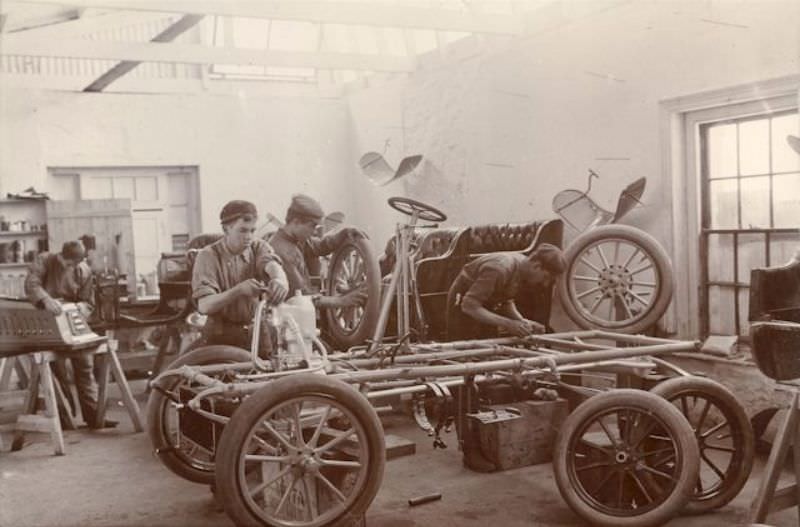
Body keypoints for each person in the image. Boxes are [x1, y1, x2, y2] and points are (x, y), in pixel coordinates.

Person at [24, 240, 115, 429]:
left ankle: (95, 417)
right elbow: (31, 284)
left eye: (75, 264)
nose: (72, 267)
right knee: (57, 371)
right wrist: (46, 299)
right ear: (60, 255)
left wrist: (83, 307)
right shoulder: (45, 260)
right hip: (47, 321)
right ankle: (64, 419)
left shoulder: (84, 270)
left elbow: (88, 301)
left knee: (85, 367)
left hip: (73, 321)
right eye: (68, 263)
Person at [191, 200, 289, 350]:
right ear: (226, 229)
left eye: (252, 230)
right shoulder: (207, 256)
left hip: (256, 331)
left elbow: (271, 264)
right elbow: (204, 306)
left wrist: (279, 279)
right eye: (243, 230)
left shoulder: (257, 247)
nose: (249, 236)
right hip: (221, 335)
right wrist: (238, 290)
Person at [446, 243, 566, 341]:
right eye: (546, 277)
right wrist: (508, 324)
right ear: (536, 266)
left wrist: (522, 322)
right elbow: (469, 305)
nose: (545, 283)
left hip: (484, 305)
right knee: (464, 351)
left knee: (489, 347)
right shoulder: (500, 269)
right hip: (463, 301)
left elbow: (505, 300)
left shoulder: (522, 269)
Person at [269, 194, 366, 310]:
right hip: (288, 315)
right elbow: (300, 297)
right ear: (296, 222)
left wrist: (344, 233)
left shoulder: (297, 239)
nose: (315, 231)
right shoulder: (280, 251)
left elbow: (320, 246)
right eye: (313, 226)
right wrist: (341, 301)